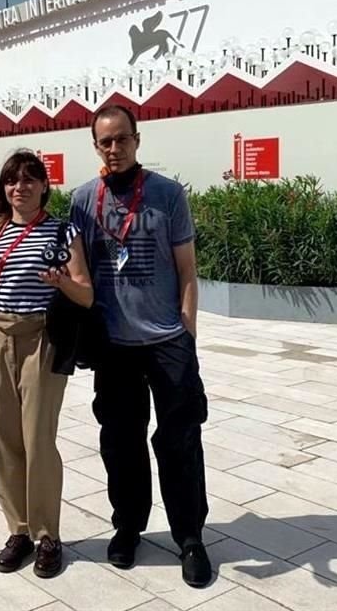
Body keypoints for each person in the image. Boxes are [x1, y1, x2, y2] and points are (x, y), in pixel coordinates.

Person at [68, 105, 212, 587]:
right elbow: (78, 274)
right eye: (105, 142)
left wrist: (187, 332)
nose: (114, 149)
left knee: (180, 441)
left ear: (137, 139)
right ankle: (128, 526)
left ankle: (189, 537)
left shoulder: (168, 195)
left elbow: (188, 271)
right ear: (96, 146)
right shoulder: (83, 200)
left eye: (122, 139)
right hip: (115, 344)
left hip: (167, 340)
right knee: (121, 442)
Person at [0, 149, 93, 579]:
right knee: (4, 438)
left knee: (38, 439)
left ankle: (47, 535)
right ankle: (18, 530)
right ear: (4, 189)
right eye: (11, 181)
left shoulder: (62, 231)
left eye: (29, 179)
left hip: (41, 338)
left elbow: (86, 294)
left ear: (43, 186)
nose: (19, 187)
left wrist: (62, 282)